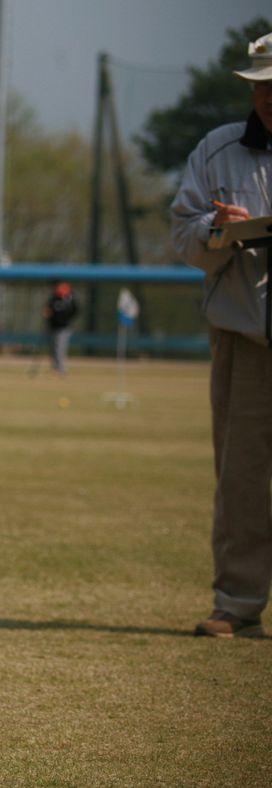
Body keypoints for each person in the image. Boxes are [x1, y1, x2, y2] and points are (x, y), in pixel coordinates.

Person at [170, 31, 272, 639]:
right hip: (242, 338)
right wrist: (215, 228)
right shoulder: (217, 150)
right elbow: (181, 235)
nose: (268, 96)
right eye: (260, 85)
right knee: (240, 476)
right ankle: (237, 603)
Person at [41, 280, 78, 375]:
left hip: (64, 328)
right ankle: (55, 368)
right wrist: (47, 313)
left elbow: (75, 311)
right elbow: (48, 309)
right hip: (52, 327)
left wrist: (65, 319)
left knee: (60, 348)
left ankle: (61, 370)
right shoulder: (53, 299)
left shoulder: (70, 300)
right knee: (53, 348)